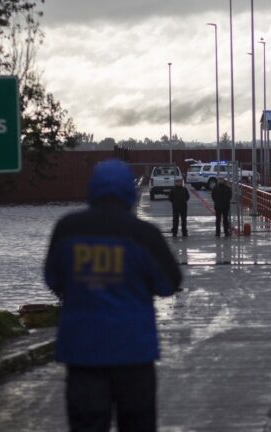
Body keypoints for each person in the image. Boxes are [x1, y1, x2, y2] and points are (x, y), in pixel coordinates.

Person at [44, 159, 183, 432]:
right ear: (129, 192)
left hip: (82, 354)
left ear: (92, 189)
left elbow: (53, 279)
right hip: (134, 354)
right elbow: (169, 283)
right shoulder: (144, 235)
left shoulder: (68, 229)